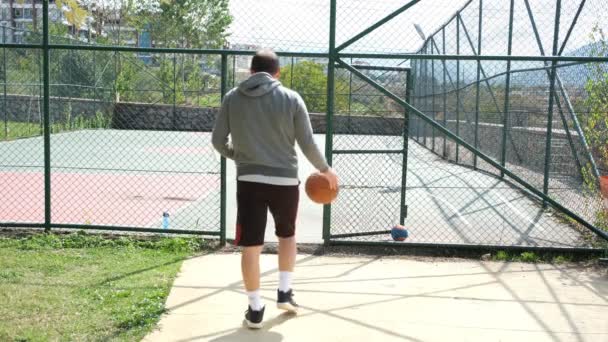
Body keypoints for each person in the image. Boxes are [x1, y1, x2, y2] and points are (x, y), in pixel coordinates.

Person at [212, 49, 338, 329]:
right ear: (277, 73)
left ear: (250, 72)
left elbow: (218, 141)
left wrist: (240, 156)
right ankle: (284, 292)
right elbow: (307, 143)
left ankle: (255, 310)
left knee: (251, 246)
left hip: (249, 182)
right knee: (287, 236)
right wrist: (326, 170)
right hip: (285, 183)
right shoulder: (291, 98)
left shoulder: (232, 98)